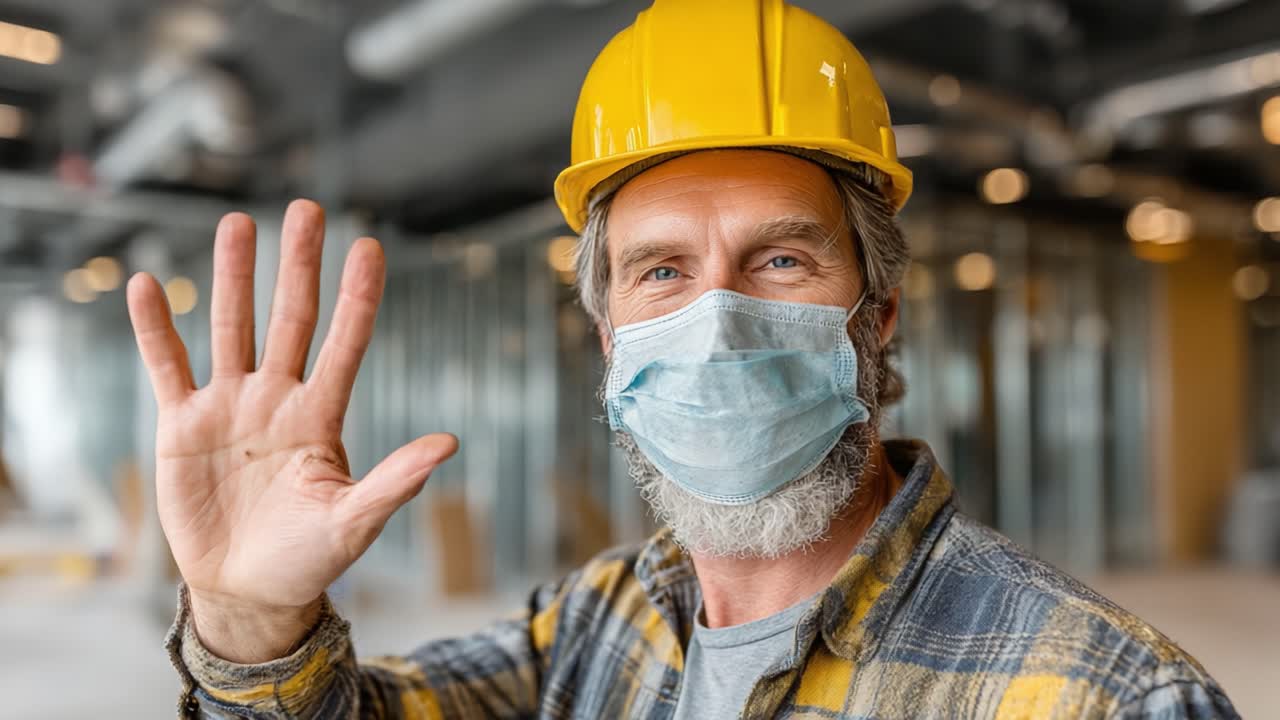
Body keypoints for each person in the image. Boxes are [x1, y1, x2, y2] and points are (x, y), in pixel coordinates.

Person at [127, 1, 1238, 717]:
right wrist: (248, 620)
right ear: (610, 339)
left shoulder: (1099, 694)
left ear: (878, 314)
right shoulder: (593, 622)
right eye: (660, 272)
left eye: (781, 259)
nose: (716, 319)